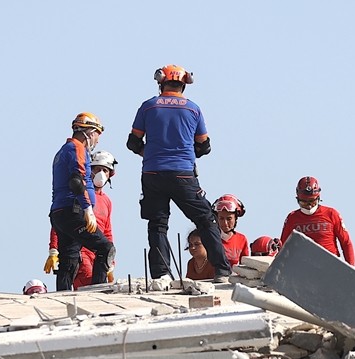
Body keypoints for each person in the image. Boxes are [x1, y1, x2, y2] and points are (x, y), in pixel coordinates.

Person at [127, 64, 231, 288]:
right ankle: (222, 270)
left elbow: (133, 142)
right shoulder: (193, 109)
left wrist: (149, 153)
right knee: (205, 220)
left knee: (157, 224)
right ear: (183, 85)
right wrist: (187, 154)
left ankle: (161, 274)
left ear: (161, 83)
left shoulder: (148, 106)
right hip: (183, 175)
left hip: (152, 173)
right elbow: (204, 145)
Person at [49, 113, 116, 292]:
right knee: (105, 248)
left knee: (69, 260)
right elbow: (77, 181)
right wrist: (88, 209)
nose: (97, 141)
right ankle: (98, 291)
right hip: (74, 211)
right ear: (89, 132)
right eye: (97, 135)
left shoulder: (62, 151)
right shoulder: (77, 148)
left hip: (59, 213)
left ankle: (62, 297)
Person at [280, 177, 355, 265]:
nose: (309, 206)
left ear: (318, 198)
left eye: (312, 201)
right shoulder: (292, 218)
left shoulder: (331, 214)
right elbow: (283, 247)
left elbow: (346, 243)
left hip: (331, 264)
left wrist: (351, 268)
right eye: (304, 202)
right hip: (304, 266)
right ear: (298, 199)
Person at [212, 194, 250, 268]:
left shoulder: (242, 239)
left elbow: (245, 266)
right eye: (221, 218)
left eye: (229, 219)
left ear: (235, 218)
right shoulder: (210, 237)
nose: (225, 223)